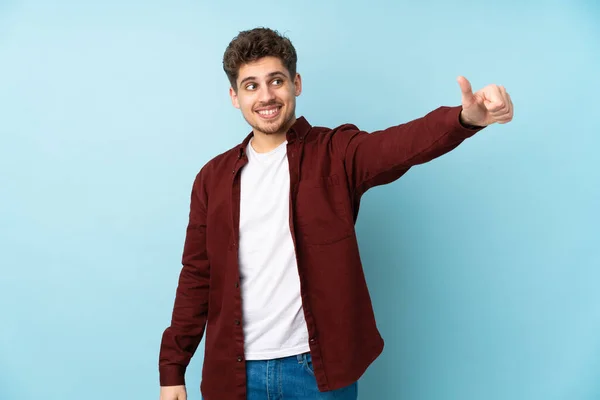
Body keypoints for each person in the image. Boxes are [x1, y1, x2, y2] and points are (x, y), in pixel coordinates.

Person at [158, 27, 514, 400]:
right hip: (233, 374)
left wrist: (463, 119)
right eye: (251, 86)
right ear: (235, 96)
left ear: (296, 83)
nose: (266, 96)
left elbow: (398, 145)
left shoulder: (336, 152)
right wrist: (172, 369)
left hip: (315, 371)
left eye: (276, 81)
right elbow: (197, 276)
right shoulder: (212, 179)